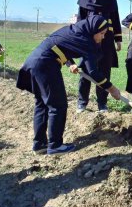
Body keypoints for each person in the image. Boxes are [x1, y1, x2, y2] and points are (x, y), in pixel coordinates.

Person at [16, 14, 121, 155]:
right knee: (58, 105)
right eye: (102, 34)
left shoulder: (76, 30)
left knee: (42, 103)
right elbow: (93, 72)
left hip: (35, 62)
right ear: (94, 30)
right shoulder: (86, 41)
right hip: (46, 65)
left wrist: (70, 63)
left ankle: (39, 144)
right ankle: (55, 145)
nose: (103, 37)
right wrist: (111, 88)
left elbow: (59, 46)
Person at [76, 0, 122, 113]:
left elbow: (115, 19)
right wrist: (80, 38)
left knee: (104, 71)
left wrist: (118, 39)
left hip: (107, 40)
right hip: (89, 40)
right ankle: (82, 102)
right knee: (86, 70)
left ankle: (102, 103)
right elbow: (80, 20)